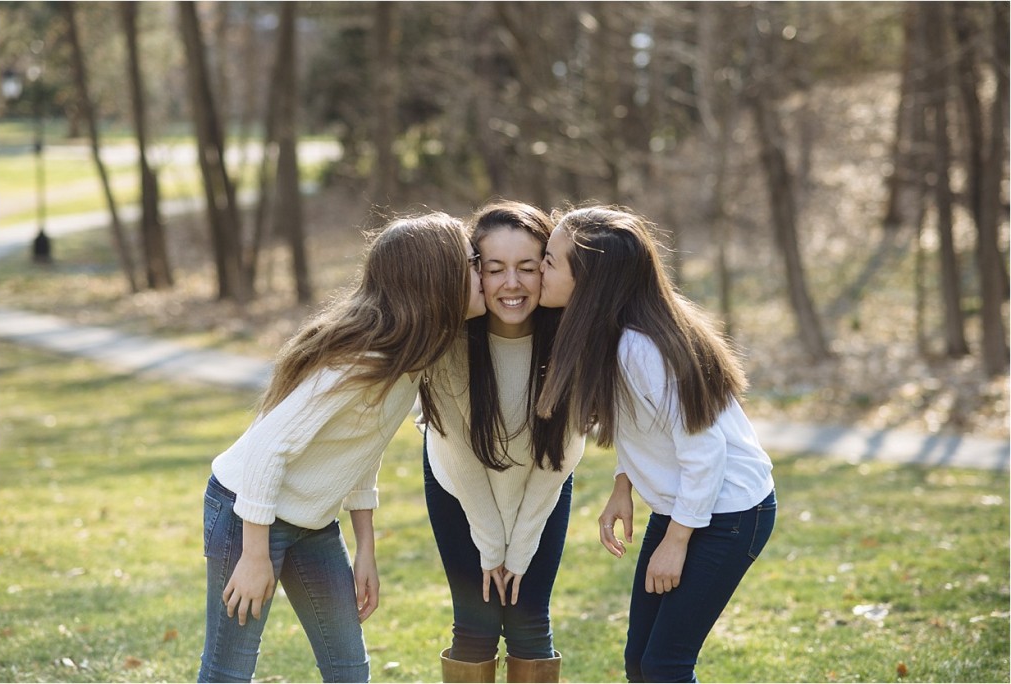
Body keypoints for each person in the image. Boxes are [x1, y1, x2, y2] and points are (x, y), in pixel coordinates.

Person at [197, 212, 486, 683]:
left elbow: (362, 450)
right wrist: (254, 557)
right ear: (436, 279)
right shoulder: (360, 359)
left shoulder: (413, 355)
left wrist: (365, 545)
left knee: (349, 670)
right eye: (472, 263)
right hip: (246, 512)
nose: (482, 274)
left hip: (313, 523)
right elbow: (269, 447)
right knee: (228, 670)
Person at [537, 206, 776, 683]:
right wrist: (623, 485)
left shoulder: (641, 346)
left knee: (665, 665)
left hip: (730, 512)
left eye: (549, 260)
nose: (539, 269)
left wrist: (677, 540)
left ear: (590, 279)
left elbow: (704, 449)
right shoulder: (610, 335)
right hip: (685, 506)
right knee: (641, 663)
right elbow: (645, 425)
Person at [420, 201, 585, 683]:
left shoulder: (573, 340)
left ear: (549, 270)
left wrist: (521, 546)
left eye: (528, 268)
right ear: (474, 274)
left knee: (530, 620)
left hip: (541, 488)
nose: (511, 284)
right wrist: (491, 545)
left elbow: (561, 458)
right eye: (494, 269)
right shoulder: (448, 339)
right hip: (459, 485)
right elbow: (460, 453)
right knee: (476, 624)